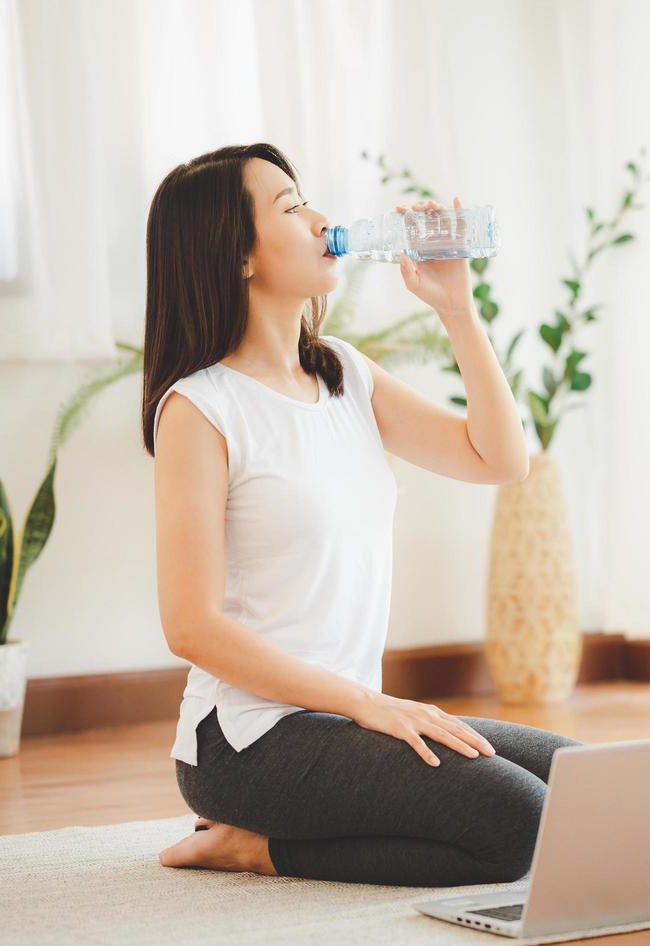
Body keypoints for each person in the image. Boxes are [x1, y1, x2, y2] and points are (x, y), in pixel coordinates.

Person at [143, 143, 583, 886]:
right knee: (519, 821)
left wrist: (457, 310)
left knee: (584, 784)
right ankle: (256, 846)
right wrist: (368, 704)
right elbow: (190, 627)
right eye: (289, 207)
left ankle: (271, 831)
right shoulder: (200, 408)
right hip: (248, 739)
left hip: (350, 716)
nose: (320, 217)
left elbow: (500, 460)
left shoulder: (342, 373)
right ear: (238, 255)